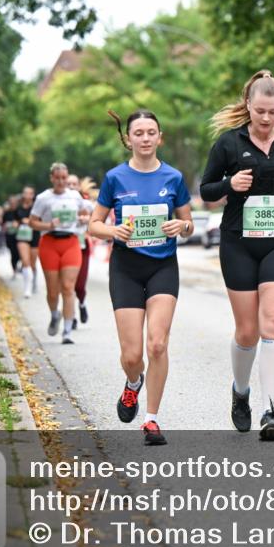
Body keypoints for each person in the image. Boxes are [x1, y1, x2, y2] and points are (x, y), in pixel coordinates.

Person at [199, 70, 274, 441]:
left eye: (272, 112)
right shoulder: (229, 143)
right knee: (247, 332)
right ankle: (241, 392)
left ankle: (270, 410)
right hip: (238, 241)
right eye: (260, 111)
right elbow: (206, 191)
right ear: (248, 106)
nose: (265, 119)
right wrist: (230, 184)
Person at [89, 109, 194, 446]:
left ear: (159, 137)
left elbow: (188, 225)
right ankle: (133, 383)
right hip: (126, 269)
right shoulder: (115, 178)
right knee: (133, 355)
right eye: (139, 133)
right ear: (128, 139)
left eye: (152, 132)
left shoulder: (173, 178)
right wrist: (113, 230)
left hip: (163, 266)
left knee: (158, 344)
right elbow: (93, 224)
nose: (146, 138)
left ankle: (151, 419)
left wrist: (183, 226)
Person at [28, 163, 89, 345]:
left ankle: (67, 331)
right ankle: (55, 315)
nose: (61, 181)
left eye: (64, 178)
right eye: (58, 178)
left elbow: (85, 215)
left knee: (68, 288)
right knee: (53, 292)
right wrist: (49, 225)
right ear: (52, 178)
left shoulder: (74, 196)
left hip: (71, 242)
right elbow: (32, 222)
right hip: (49, 243)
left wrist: (82, 219)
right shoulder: (43, 198)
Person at [66, 174, 96, 329]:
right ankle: (70, 317)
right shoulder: (58, 202)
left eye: (74, 184)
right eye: (68, 183)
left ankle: (82, 303)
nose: (71, 186)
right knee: (67, 285)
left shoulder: (85, 203)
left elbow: (99, 220)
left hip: (82, 247)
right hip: (64, 247)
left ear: (78, 186)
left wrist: (88, 221)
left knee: (79, 285)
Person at [14, 186, 40, 298]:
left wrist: (30, 222)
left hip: (34, 235)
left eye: (29, 193)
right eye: (25, 193)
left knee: (33, 264)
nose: (27, 195)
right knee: (25, 261)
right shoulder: (18, 208)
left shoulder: (37, 207)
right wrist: (18, 223)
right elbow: (15, 221)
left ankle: (33, 281)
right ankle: (27, 287)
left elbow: (41, 220)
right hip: (22, 236)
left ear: (33, 195)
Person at [1, 196, 21, 280]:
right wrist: (5, 226)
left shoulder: (20, 212)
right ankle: (14, 270)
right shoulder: (6, 213)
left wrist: (18, 224)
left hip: (20, 236)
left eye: (14, 202)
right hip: (10, 236)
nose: (13, 204)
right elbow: (2, 223)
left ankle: (21, 266)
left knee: (19, 253)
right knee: (13, 254)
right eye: (11, 202)